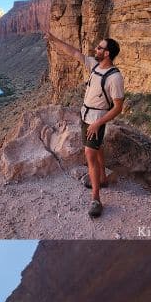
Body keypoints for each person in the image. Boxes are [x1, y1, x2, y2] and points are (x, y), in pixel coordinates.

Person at [45, 31, 125, 218]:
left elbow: (118, 107)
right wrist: (54, 39)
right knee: (95, 149)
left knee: (89, 153)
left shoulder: (115, 77)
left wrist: (98, 123)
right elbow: (74, 53)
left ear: (107, 53)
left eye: (100, 47)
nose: (95, 49)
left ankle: (96, 198)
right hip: (85, 115)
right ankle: (103, 178)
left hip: (96, 119)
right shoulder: (95, 65)